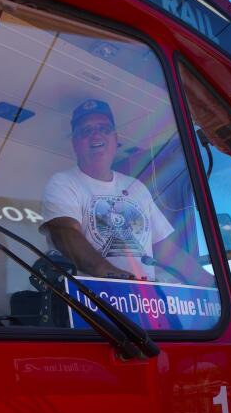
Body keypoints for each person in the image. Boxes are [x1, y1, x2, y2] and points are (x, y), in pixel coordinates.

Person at [40, 99, 184, 282]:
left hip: (148, 301)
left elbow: (165, 248)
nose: (96, 135)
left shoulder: (136, 186)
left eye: (104, 128)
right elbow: (66, 234)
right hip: (96, 303)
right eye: (86, 131)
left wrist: (211, 283)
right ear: (75, 143)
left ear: (116, 139)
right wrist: (120, 278)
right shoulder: (63, 183)